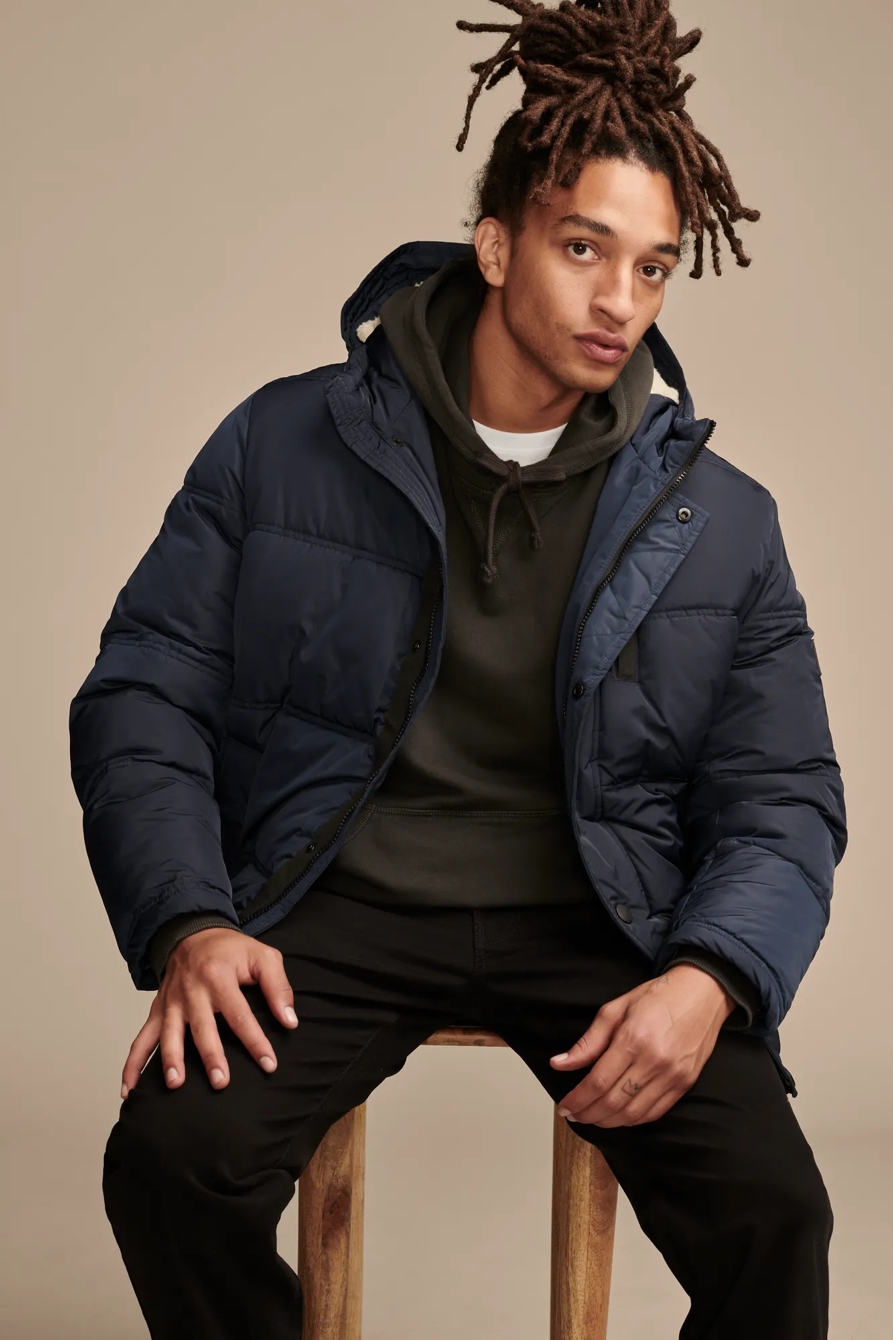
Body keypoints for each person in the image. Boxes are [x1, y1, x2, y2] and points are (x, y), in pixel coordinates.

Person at [69, 2, 847, 1337]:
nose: (619, 301)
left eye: (655, 267)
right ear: (496, 246)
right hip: (338, 902)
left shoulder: (722, 520)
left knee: (777, 1219)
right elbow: (145, 693)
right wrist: (191, 921)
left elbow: (784, 796)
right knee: (169, 1166)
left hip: (600, 919)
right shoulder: (280, 445)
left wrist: (709, 977)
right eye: (583, 248)